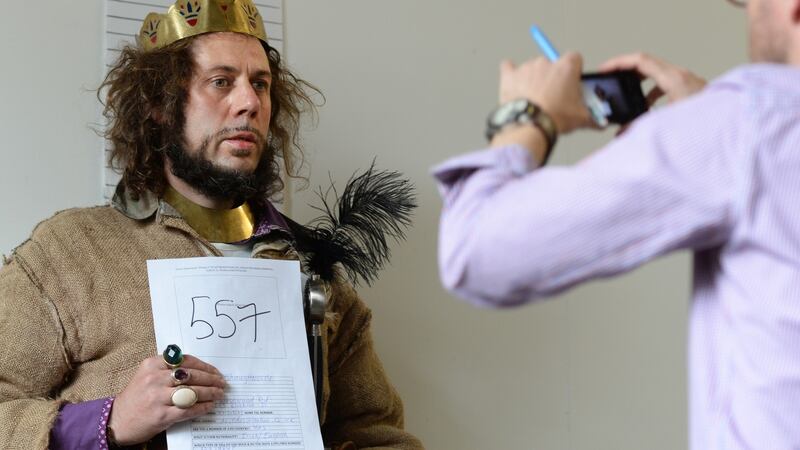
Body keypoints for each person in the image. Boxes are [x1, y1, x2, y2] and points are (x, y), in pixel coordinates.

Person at [0, 1, 422, 449]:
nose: (249, 102)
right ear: (161, 105)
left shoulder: (310, 263)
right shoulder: (72, 250)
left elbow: (375, 431)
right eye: (221, 82)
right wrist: (110, 421)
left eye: (260, 84)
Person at [433, 0, 800, 448]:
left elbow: (474, 253)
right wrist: (705, 123)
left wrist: (527, 116)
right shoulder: (740, 131)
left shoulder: (746, 126)